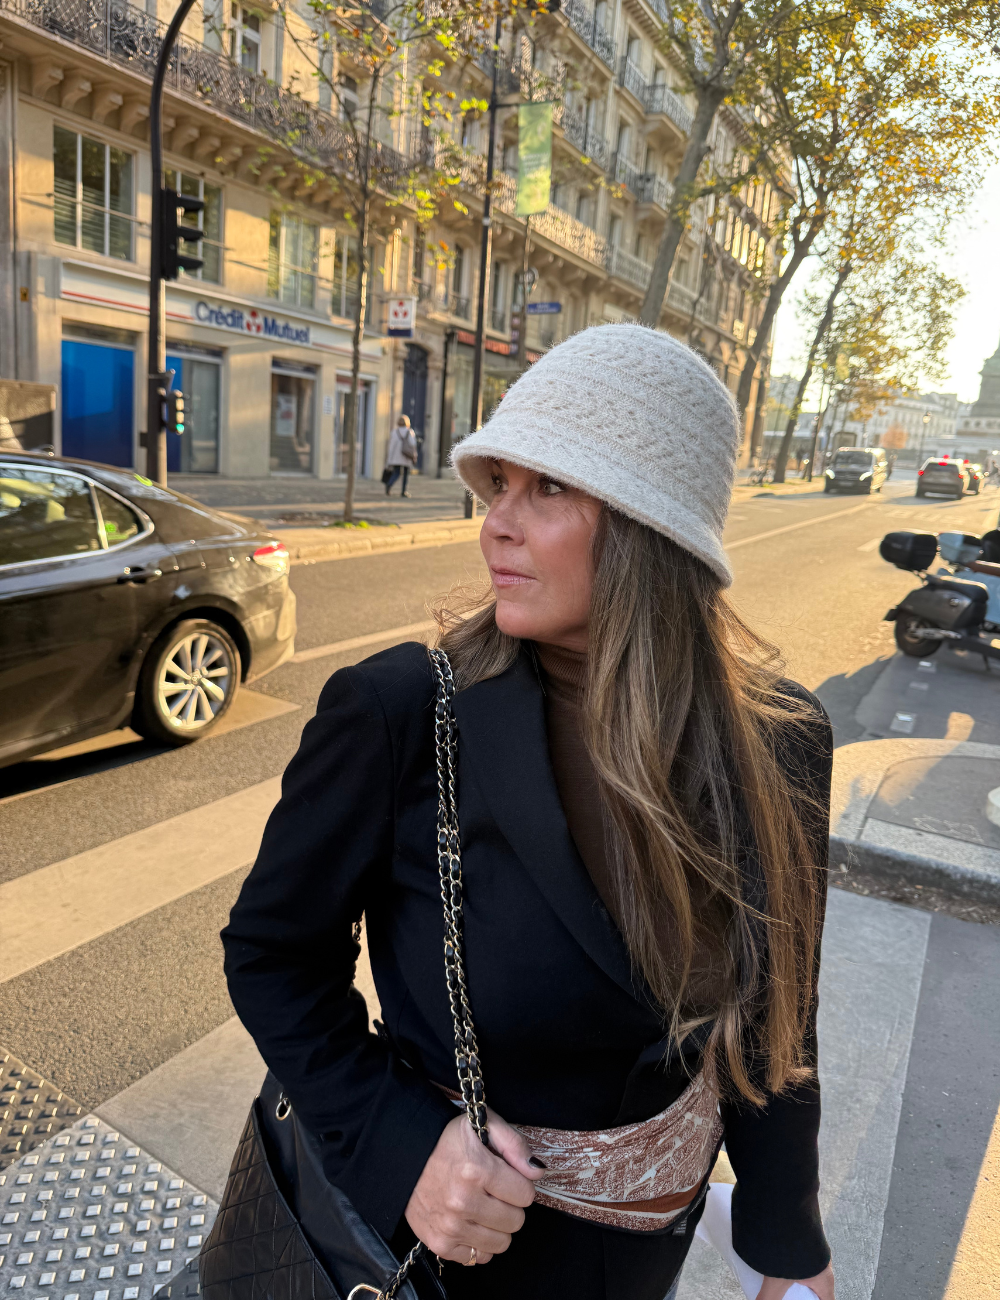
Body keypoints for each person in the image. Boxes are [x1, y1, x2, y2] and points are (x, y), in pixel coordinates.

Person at [222, 325, 836, 1300]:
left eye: (547, 486)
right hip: (443, 1259)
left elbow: (778, 1019)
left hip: (642, 1251)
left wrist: (788, 1247)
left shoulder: (779, 742)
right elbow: (271, 954)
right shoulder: (403, 712)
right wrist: (401, 1143)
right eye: (498, 483)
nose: (495, 524)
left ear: (653, 526)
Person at [385, 413, 418, 496]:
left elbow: (391, 446)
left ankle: (389, 484)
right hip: (406, 456)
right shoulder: (410, 432)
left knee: (396, 472)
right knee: (406, 474)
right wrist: (414, 455)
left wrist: (389, 459)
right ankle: (403, 491)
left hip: (396, 457)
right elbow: (413, 444)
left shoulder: (394, 432)